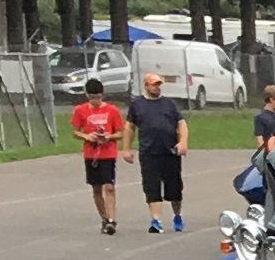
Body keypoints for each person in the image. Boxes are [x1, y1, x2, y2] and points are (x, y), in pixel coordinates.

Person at [130, 66, 190, 233]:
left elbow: (182, 124)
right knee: (152, 186)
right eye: (153, 84)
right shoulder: (137, 105)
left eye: (158, 84)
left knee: (174, 188)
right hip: (149, 152)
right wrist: (126, 149)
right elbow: (130, 127)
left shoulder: (169, 104)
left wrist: (183, 142)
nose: (157, 87)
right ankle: (156, 220)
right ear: (146, 86)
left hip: (169, 152)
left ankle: (177, 216)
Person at [69, 78, 127, 232]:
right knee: (96, 188)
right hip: (91, 154)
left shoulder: (112, 111)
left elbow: (120, 133)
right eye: (92, 98)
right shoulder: (80, 110)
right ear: (87, 96)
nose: (96, 101)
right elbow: (75, 131)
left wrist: (109, 136)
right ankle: (104, 217)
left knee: (109, 186)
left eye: (98, 97)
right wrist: (87, 136)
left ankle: (112, 219)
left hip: (107, 153)